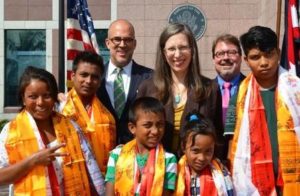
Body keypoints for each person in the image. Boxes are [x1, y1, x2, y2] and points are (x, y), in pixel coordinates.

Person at [0, 66, 105, 195]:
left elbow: (91, 173)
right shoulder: (10, 132)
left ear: (55, 97)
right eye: (33, 96)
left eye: (47, 96)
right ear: (23, 98)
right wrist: (33, 161)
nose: (40, 102)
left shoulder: (71, 127)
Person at [226, 26, 300, 195]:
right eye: (255, 57)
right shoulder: (238, 98)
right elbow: (232, 147)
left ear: (279, 53)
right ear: (246, 60)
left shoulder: (296, 90)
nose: (264, 62)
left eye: (269, 54)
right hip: (253, 184)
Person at [137, 23, 224, 160]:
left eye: (183, 47)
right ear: (164, 53)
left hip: (195, 171)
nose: (177, 54)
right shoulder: (147, 88)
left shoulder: (210, 88)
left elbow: (217, 134)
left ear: (192, 50)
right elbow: (137, 135)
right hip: (155, 172)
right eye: (171, 49)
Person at [105, 97, 177, 196]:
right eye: (148, 125)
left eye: (160, 125)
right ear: (132, 128)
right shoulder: (117, 155)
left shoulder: (168, 159)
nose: (155, 131)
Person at [58, 51, 116, 174]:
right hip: (69, 179)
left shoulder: (107, 116)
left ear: (100, 81)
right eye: (83, 75)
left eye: (95, 77)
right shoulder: (60, 109)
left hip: (101, 183)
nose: (89, 81)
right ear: (73, 76)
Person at [97, 19, 153, 145]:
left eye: (128, 40)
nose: (122, 44)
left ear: (134, 44)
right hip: (101, 155)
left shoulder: (151, 78)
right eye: (117, 39)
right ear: (107, 43)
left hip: (138, 157)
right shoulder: (95, 78)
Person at [174, 112, 233, 195]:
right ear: (183, 147)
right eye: (195, 151)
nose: (201, 158)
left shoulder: (221, 173)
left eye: (208, 151)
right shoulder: (175, 172)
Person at [212, 34, 245, 125]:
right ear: (213, 59)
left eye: (231, 52)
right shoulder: (204, 91)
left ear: (240, 58)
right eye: (220, 54)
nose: (226, 58)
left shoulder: (251, 87)